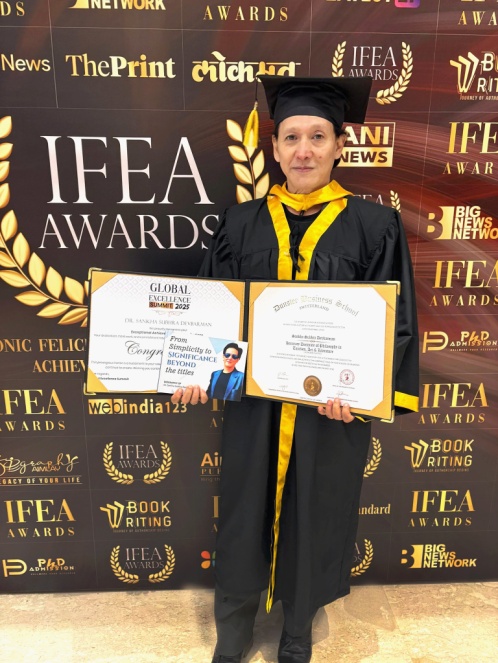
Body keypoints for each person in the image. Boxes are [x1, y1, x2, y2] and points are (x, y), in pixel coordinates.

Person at [172, 76, 419, 663]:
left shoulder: (375, 226)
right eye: (290, 137)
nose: (303, 150)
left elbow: (396, 322)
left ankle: (298, 624)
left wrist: (364, 393)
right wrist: (198, 371)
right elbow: (213, 311)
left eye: (317, 136)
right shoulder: (239, 224)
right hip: (255, 406)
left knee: (319, 510)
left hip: (330, 411)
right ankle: (234, 622)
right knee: (243, 509)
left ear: (340, 145)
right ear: (274, 148)